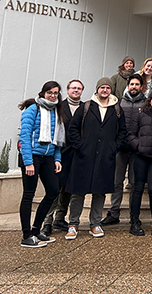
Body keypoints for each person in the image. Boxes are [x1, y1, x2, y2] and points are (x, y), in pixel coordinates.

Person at [65, 77, 127, 240]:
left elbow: (122, 132)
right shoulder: (86, 106)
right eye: (102, 87)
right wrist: (80, 146)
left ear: (111, 90)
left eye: (107, 87)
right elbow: (73, 129)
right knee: (78, 192)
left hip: (105, 157)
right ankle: (73, 224)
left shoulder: (117, 108)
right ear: (97, 89)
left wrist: (114, 147)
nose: (105, 90)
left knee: (99, 193)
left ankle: (95, 223)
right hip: (84, 156)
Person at [17, 81, 64, 247]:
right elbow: (25, 137)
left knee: (53, 190)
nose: (53, 95)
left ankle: (37, 230)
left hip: (48, 157)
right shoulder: (32, 109)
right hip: (32, 157)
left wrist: (57, 158)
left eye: (56, 93)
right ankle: (26, 235)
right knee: (28, 194)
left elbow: (56, 139)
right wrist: (28, 162)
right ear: (43, 92)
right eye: (50, 92)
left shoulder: (56, 111)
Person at [41, 78, 84, 236]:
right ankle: (47, 221)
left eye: (79, 88)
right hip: (60, 153)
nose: (76, 90)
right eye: (73, 88)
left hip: (77, 155)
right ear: (67, 90)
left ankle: (60, 218)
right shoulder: (59, 107)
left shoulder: (85, 108)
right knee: (55, 188)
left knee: (69, 188)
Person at [104, 74, 146, 226]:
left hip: (137, 150)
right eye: (132, 84)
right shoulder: (119, 103)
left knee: (135, 184)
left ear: (141, 86)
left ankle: (133, 215)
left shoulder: (146, 103)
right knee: (117, 183)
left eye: (137, 84)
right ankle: (113, 213)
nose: (134, 87)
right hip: (120, 149)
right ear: (128, 86)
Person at [126, 90, 152, 236]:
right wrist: (138, 145)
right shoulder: (140, 114)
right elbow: (130, 134)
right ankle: (134, 221)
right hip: (140, 156)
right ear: (150, 100)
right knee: (137, 188)